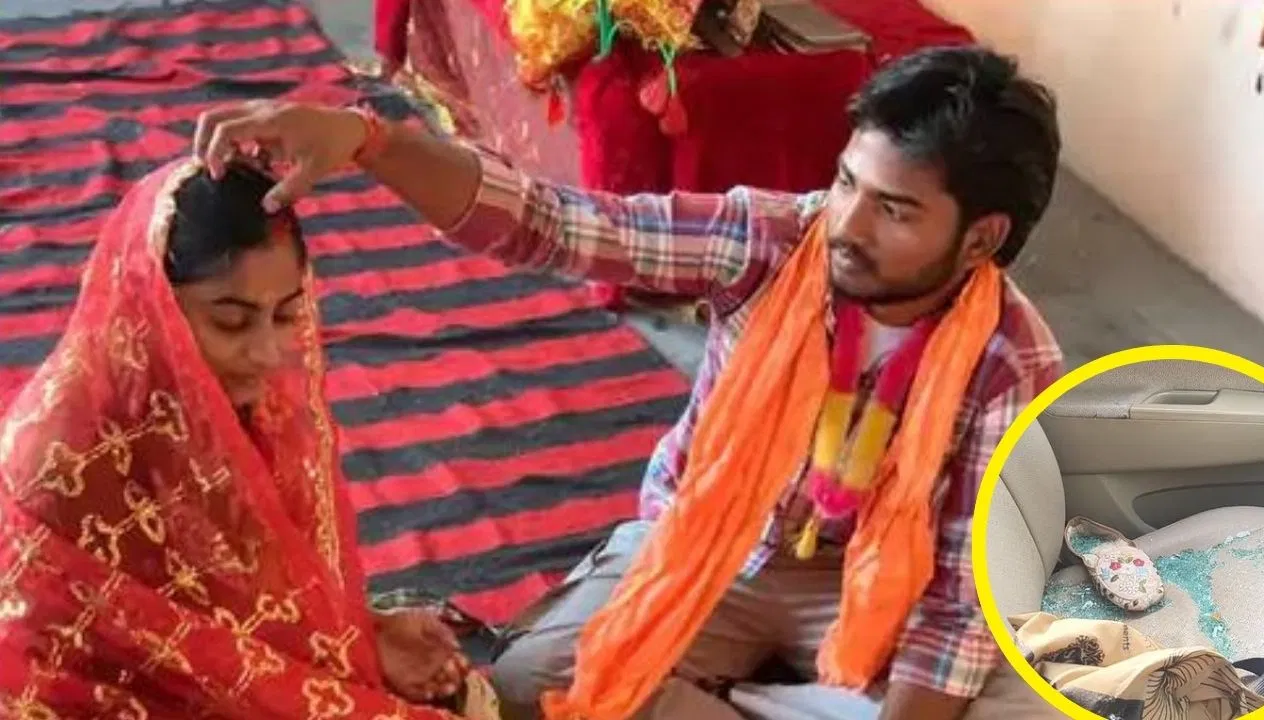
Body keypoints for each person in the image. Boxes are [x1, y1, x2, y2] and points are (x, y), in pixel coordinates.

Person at [191, 45, 1065, 720]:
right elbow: (552, 224)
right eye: (846, 182)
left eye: (894, 209)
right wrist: (368, 140)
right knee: (532, 687)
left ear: (980, 240)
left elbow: (962, 598)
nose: (846, 224)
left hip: (876, 589)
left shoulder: (1013, 362)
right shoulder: (772, 243)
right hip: (714, 541)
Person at [0, 159, 499, 718]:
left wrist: (365, 635)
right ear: (148, 303)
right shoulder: (63, 461)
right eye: (232, 323)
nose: (266, 353)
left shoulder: (249, 408)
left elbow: (248, 598)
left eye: (286, 316)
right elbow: (70, 671)